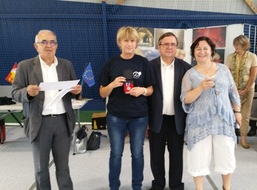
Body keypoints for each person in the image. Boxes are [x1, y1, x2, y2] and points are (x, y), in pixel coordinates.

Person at [11, 29, 82, 190]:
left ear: (56, 46)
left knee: (63, 168)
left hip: (63, 123)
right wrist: (27, 92)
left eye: (52, 42)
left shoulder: (66, 65)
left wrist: (77, 92)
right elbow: (15, 93)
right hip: (39, 123)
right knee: (41, 169)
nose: (48, 45)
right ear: (36, 46)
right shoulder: (25, 66)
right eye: (43, 42)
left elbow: (72, 91)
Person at [181, 36, 241, 190]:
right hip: (199, 122)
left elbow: (233, 91)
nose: (202, 52)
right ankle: (199, 188)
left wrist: (237, 111)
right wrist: (200, 87)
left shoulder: (223, 69)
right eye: (198, 49)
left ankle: (226, 187)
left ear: (212, 51)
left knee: (226, 154)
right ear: (193, 53)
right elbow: (186, 99)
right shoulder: (190, 74)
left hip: (223, 120)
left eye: (205, 48)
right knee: (198, 156)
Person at [99, 26, 153, 190]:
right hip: (116, 116)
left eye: (132, 41)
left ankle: (137, 186)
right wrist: (112, 84)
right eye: (126, 41)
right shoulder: (111, 63)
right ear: (119, 43)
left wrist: (142, 90)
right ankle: (113, 186)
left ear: (136, 43)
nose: (129, 44)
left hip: (139, 116)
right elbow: (102, 93)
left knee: (137, 153)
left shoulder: (143, 63)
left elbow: (151, 89)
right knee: (116, 153)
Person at [148, 32, 191, 190]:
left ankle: (176, 185)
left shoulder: (185, 68)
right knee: (156, 155)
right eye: (166, 44)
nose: (169, 47)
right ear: (159, 47)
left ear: (176, 47)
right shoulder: (150, 66)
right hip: (156, 119)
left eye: (173, 44)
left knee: (176, 155)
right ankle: (158, 184)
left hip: (177, 119)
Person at [225, 35, 257, 149]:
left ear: (244, 45)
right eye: (234, 44)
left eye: (237, 44)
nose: (235, 46)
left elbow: (253, 75)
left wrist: (245, 89)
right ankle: (229, 137)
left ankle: (243, 138)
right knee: (230, 113)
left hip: (248, 90)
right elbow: (227, 74)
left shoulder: (252, 57)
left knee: (245, 115)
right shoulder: (230, 57)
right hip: (232, 90)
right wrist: (233, 89)